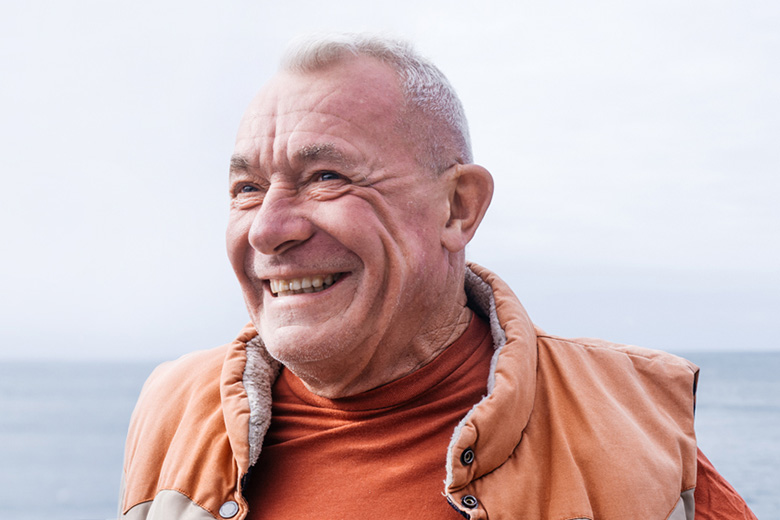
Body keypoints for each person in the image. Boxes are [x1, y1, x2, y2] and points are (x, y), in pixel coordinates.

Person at [118, 34, 757, 520]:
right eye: (247, 188)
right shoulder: (174, 408)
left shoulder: (636, 428)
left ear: (457, 208)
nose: (267, 229)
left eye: (326, 177)